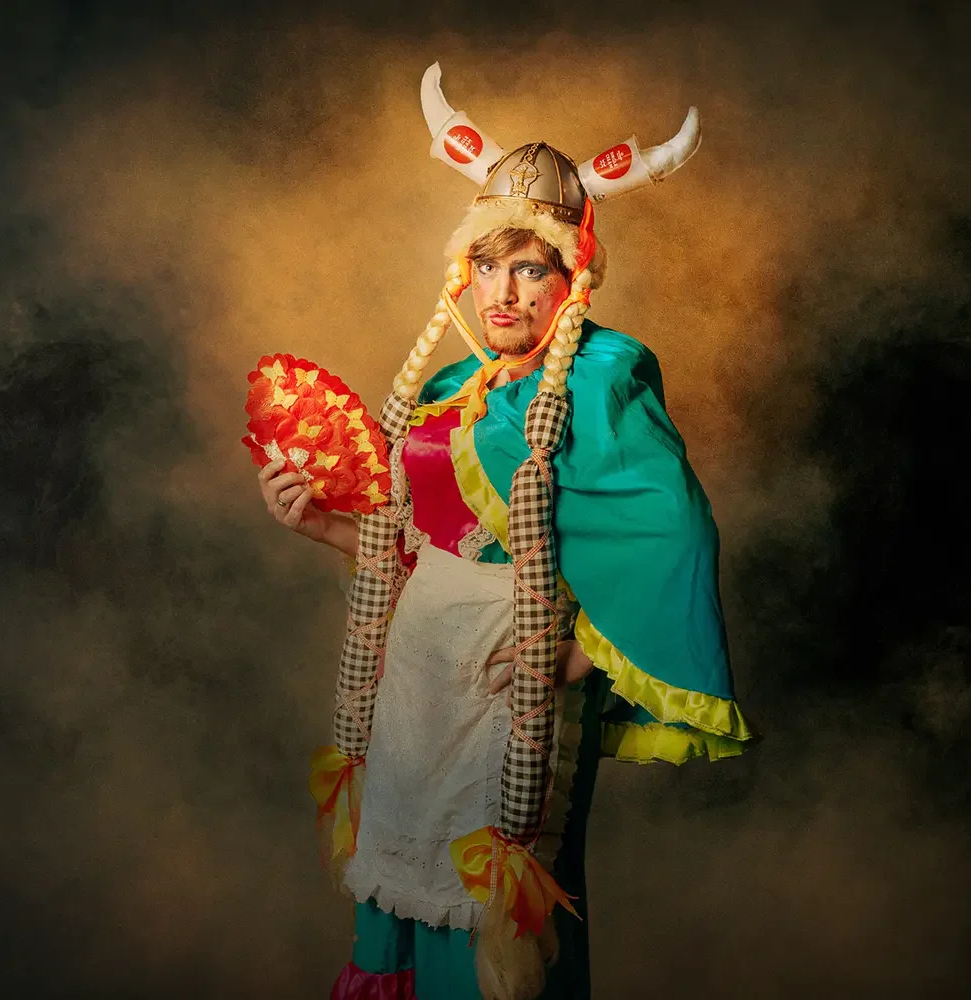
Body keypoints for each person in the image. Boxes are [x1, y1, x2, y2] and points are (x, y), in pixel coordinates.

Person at [256, 64, 751, 1000]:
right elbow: (419, 550)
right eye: (489, 265)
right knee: (402, 906)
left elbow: (673, 533)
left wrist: (574, 659)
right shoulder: (448, 389)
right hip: (417, 687)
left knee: (490, 943)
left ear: (570, 275)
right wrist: (321, 523)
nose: (505, 292)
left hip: (509, 691)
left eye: (530, 267)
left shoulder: (602, 376)